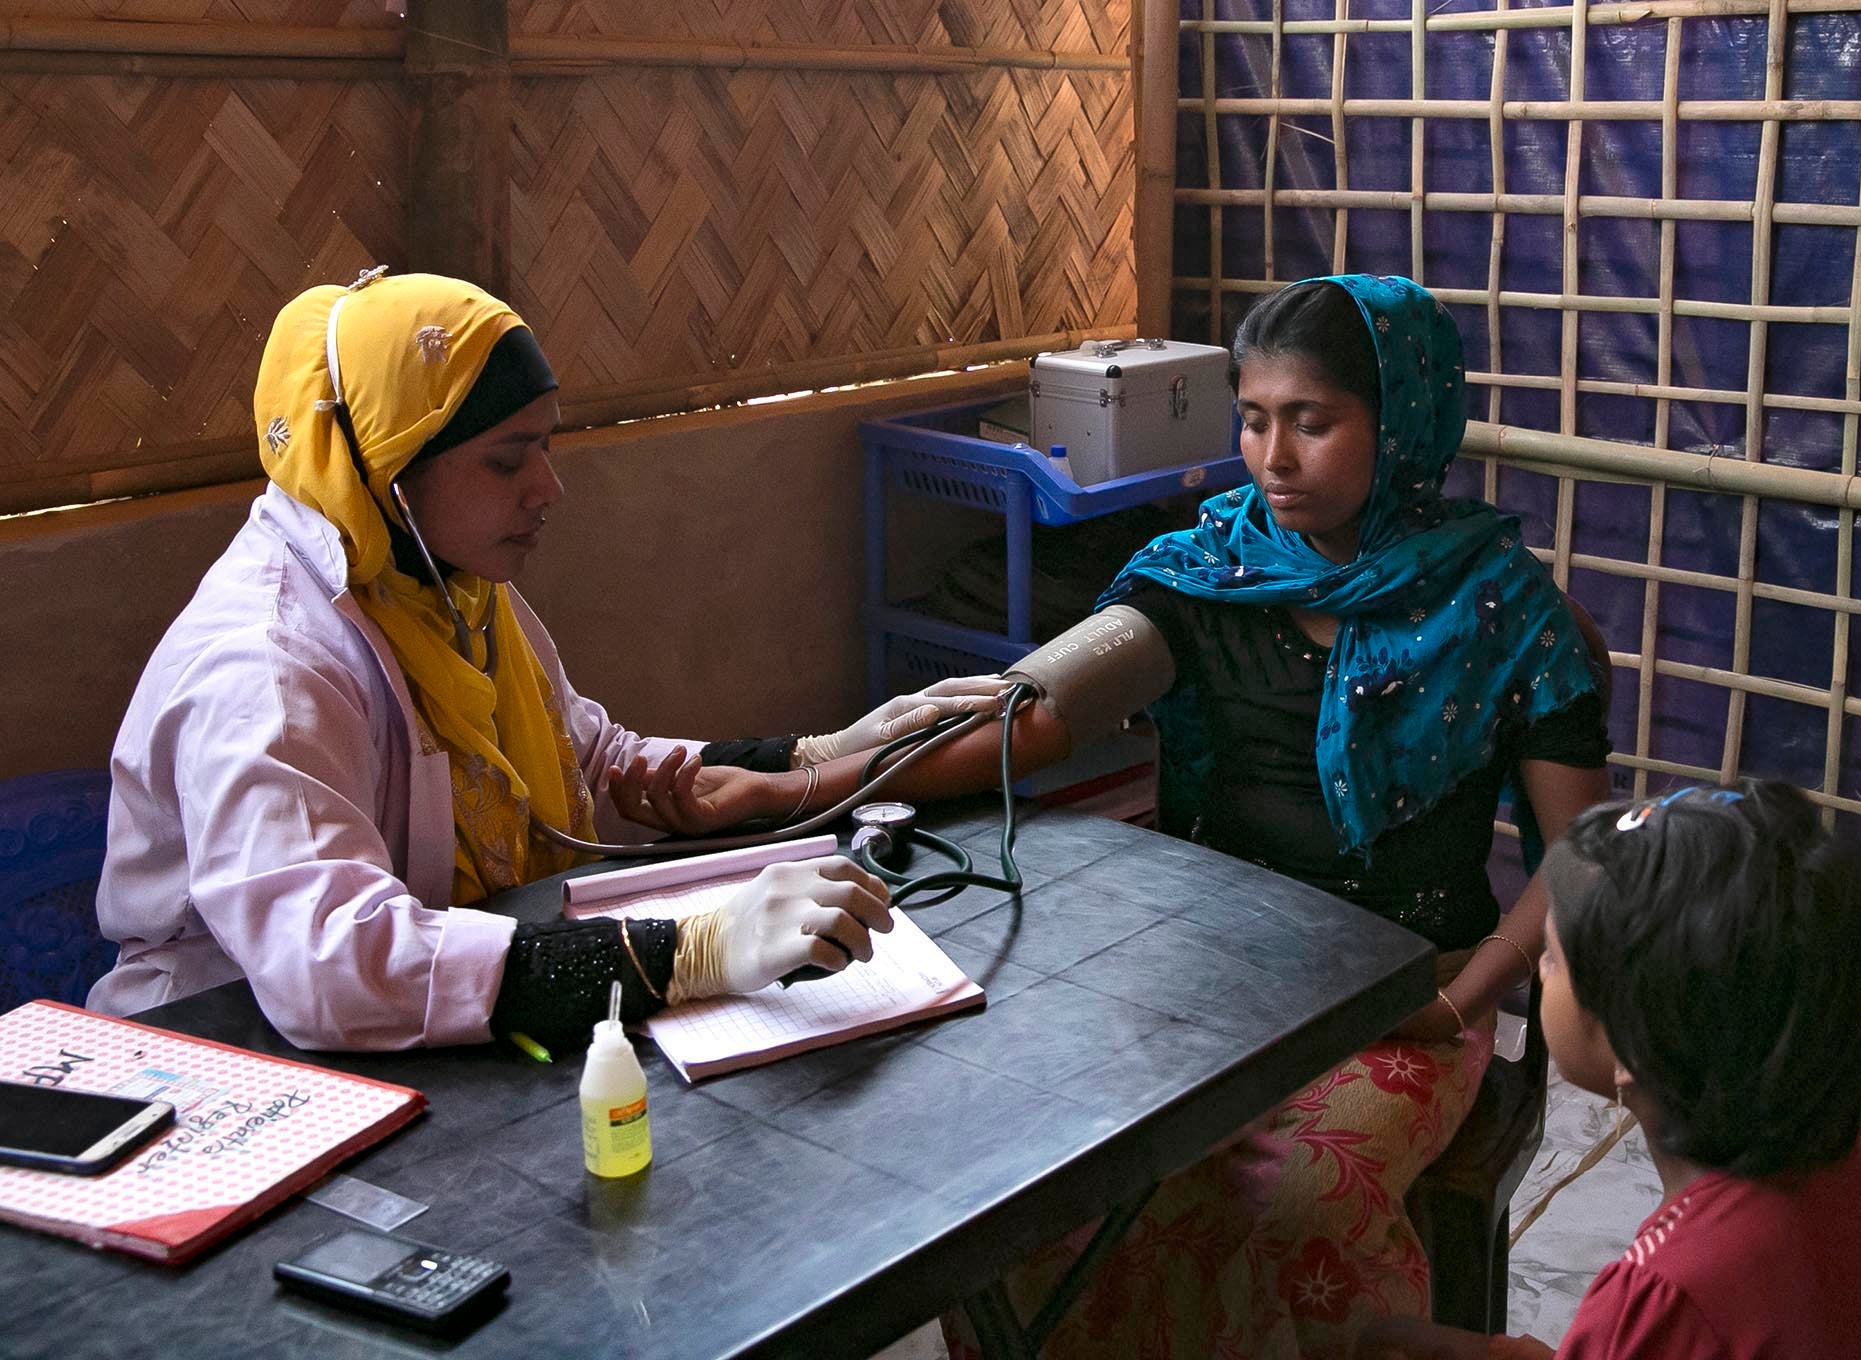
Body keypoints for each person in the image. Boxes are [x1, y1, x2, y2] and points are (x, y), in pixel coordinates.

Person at [695, 274, 1611, 1355]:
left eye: (1314, 423)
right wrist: (797, 784)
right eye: (1256, 418)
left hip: (1405, 1002)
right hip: (1207, 985)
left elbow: (1580, 856)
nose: (1273, 457)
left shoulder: (1505, 609)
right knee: (1044, 1184)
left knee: (1297, 1205)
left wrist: (1466, 996)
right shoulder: (1207, 571)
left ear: (1401, 422)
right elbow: (1031, 721)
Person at [88, 269, 1003, 1053]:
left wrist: (817, 750)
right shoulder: (270, 670)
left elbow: (590, 762)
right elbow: (334, 962)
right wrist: (684, 952)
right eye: (506, 459)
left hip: (399, 1033)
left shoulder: (445, 588)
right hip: (227, 1062)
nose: (547, 488)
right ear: (391, 469)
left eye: (547, 447)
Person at [1362, 780, 1861, 1359]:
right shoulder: (1847, 1172)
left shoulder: (1670, 1294)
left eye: (1554, 957)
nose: (1538, 968)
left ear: (1636, 1048)